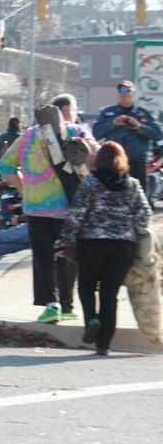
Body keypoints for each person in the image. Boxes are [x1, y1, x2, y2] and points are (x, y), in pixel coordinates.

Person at [0, 102, 98, 324]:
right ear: (65, 112)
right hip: (70, 206)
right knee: (69, 255)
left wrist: (24, 187)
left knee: (43, 256)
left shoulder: (26, 137)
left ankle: (50, 305)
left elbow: (4, 167)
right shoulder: (76, 131)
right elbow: (95, 155)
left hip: (37, 208)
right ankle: (67, 306)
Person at [55, 141, 151, 355]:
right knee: (110, 294)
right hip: (123, 247)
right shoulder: (132, 184)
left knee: (87, 286)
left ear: (98, 160)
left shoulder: (90, 183)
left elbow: (76, 215)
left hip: (92, 245)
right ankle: (104, 344)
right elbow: (144, 215)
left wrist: (62, 243)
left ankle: (91, 319)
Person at [93, 80, 162, 193]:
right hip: (114, 162)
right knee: (113, 194)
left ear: (133, 93)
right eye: (121, 90)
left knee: (138, 194)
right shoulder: (107, 112)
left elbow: (157, 135)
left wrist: (138, 126)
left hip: (137, 162)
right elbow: (96, 133)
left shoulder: (143, 113)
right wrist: (113, 123)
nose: (124, 93)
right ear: (118, 94)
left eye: (127, 90)